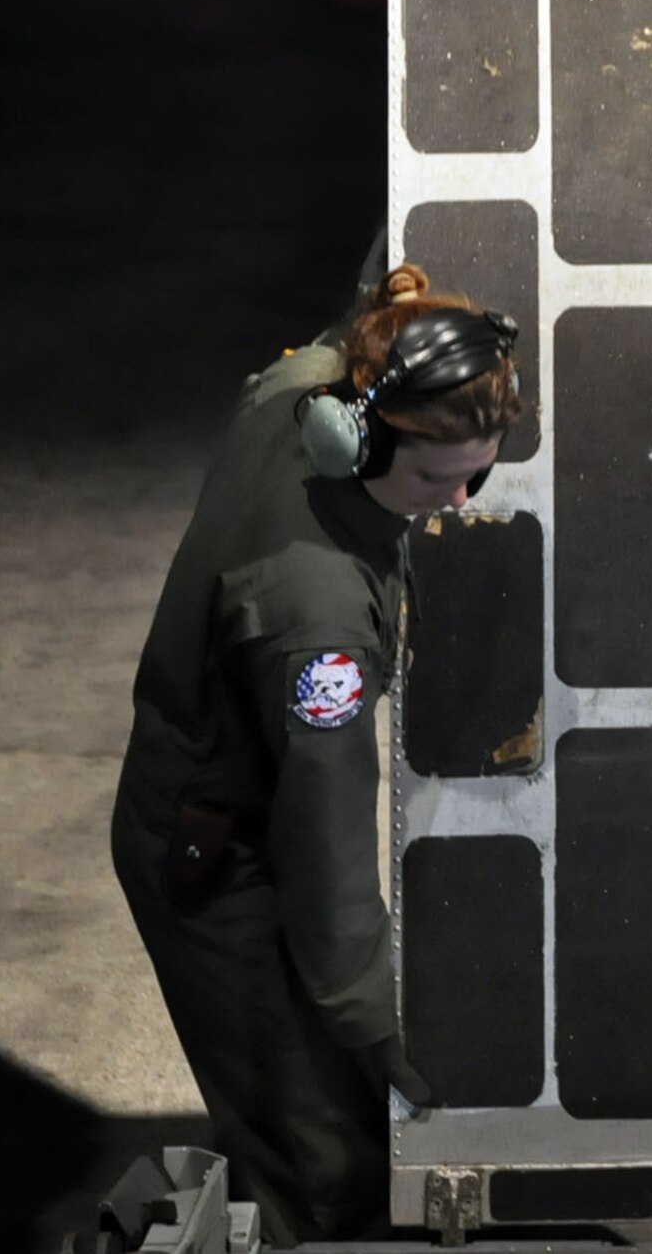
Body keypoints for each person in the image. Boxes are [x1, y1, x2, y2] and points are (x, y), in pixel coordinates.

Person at [111, 263, 522, 1246]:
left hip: (226, 803)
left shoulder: (304, 386)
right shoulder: (316, 623)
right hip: (219, 860)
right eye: (432, 478)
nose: (456, 497)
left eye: (478, 468)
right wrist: (371, 1017)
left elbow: (369, 318)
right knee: (322, 1159)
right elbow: (325, 834)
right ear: (359, 440)